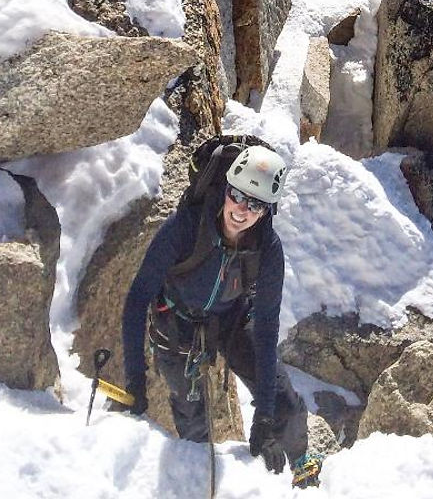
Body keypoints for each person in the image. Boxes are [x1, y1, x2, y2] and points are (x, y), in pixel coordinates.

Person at [119, 140, 312, 480]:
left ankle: (304, 470)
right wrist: (135, 380)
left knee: (286, 406)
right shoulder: (186, 227)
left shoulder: (267, 248)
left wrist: (265, 416)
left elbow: (266, 330)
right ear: (226, 189)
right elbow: (137, 300)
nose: (241, 210)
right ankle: (201, 481)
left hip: (233, 318)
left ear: (267, 210)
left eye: (255, 204)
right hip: (176, 323)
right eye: (237, 195)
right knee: (193, 420)